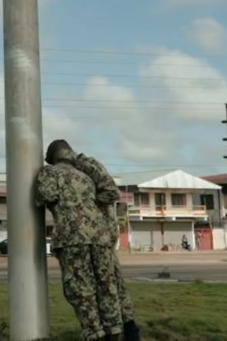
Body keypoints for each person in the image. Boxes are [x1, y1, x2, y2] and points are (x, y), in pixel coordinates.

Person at [37, 140, 122, 341]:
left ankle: (94, 334)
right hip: (100, 237)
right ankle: (115, 331)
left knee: (81, 290)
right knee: (106, 287)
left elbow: (47, 195)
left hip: (73, 238)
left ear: (52, 158)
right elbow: (110, 193)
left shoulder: (50, 172)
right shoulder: (86, 176)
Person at [71, 146, 141, 341]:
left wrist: (86, 203)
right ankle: (125, 330)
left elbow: (111, 192)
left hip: (103, 235)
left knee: (110, 288)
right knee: (112, 288)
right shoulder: (82, 168)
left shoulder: (86, 164)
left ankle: (126, 332)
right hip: (101, 235)